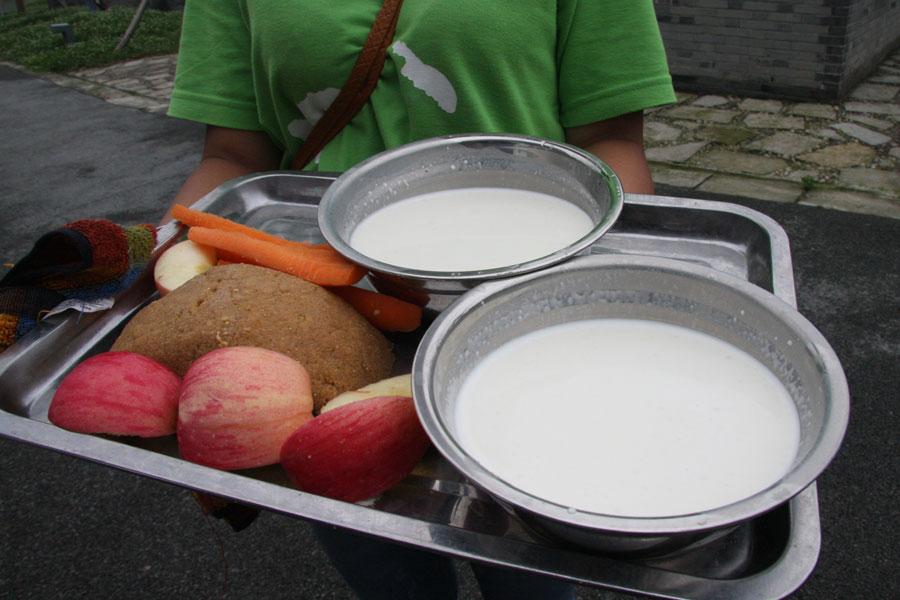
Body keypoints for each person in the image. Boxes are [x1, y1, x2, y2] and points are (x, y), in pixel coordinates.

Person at [166, 1, 676, 598]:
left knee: (531, 572)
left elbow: (610, 139)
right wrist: (147, 274)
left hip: (538, 317)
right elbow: (233, 158)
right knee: (388, 575)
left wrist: (621, 309)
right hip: (329, 326)